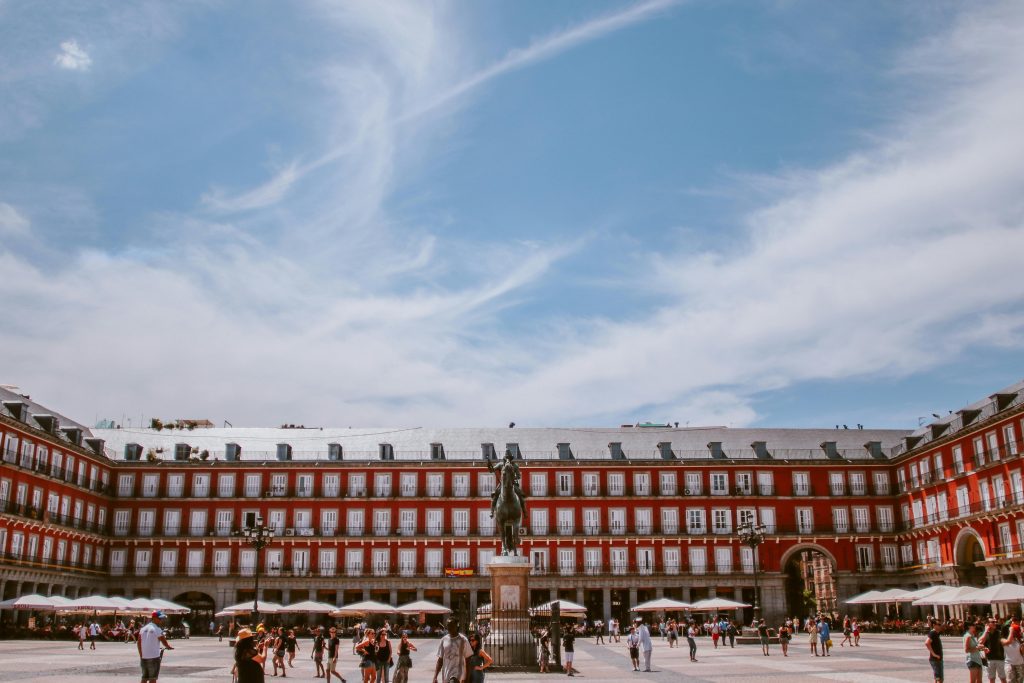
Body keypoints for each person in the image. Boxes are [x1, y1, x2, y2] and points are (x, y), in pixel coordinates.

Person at [138, 610, 173, 683]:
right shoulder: (157, 629)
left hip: (144, 658)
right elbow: (163, 641)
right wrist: (168, 646)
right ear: (154, 618)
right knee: (153, 678)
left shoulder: (143, 629)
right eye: (159, 618)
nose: (161, 620)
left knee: (144, 678)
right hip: (154, 657)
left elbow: (139, 643)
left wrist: (141, 655)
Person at [432, 619, 472, 683]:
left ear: (457, 626)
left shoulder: (463, 640)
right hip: (446, 674)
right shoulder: (443, 640)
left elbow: (468, 660)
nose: (449, 628)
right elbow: (440, 660)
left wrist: (467, 678)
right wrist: (435, 677)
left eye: (451, 625)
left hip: (458, 674)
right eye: (448, 625)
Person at [982, 617, 1007, 683]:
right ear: (987, 624)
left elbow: (1005, 642)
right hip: (989, 659)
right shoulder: (985, 634)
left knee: (1003, 678)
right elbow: (980, 643)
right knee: (991, 679)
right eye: (993, 622)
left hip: (1000, 658)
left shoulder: (999, 633)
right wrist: (986, 632)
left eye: (995, 622)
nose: (995, 623)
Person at [1001, 616, 1024, 683]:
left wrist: (1022, 645)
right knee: (1010, 681)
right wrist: (1011, 630)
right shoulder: (1002, 639)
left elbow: (1022, 653)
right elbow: (1008, 642)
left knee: (1020, 681)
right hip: (1009, 664)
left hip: (1020, 664)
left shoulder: (1019, 640)